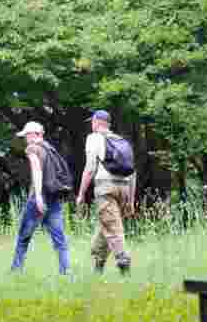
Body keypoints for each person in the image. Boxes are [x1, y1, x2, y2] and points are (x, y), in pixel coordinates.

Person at [76, 110, 135, 275]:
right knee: (107, 226)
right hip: (124, 187)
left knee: (112, 228)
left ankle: (123, 260)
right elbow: (132, 172)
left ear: (96, 122)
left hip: (105, 187)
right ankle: (98, 265)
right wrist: (130, 200)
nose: (91, 125)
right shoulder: (122, 141)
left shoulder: (94, 138)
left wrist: (81, 194)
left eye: (92, 122)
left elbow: (89, 169)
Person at [10, 121, 70, 275]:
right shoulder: (50, 148)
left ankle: (16, 271)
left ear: (32, 135)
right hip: (54, 197)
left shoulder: (32, 148)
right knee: (60, 239)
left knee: (24, 238)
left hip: (38, 199)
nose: (25, 139)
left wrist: (37, 196)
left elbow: (36, 170)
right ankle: (66, 271)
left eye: (26, 135)